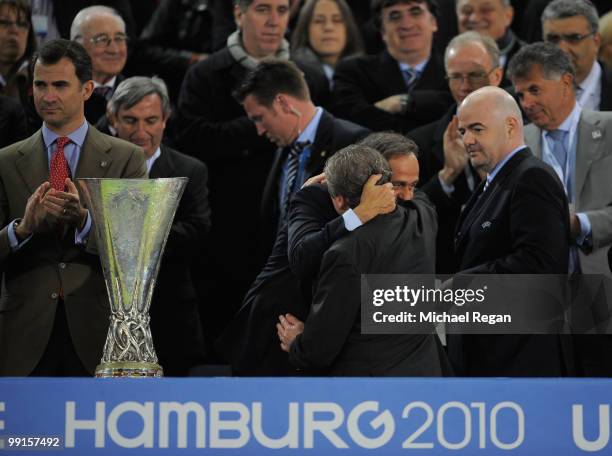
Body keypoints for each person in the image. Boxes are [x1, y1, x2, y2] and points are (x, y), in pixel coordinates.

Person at [174, 0, 329, 330]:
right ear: (238, 14)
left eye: (282, 10)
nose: (274, 21)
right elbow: (189, 140)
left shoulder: (311, 75)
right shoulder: (205, 75)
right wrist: (266, 121)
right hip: (225, 233)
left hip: (293, 231)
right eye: (262, 9)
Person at [0, 39, 146, 376]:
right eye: (41, 85)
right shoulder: (5, 162)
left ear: (87, 89)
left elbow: (135, 251)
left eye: (60, 85)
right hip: (23, 337)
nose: (48, 96)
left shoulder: (127, 159)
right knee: (29, 431)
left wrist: (84, 221)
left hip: (100, 333)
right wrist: (22, 229)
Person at [277, 144, 442, 375]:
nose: (407, 192)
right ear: (386, 186)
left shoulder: (344, 254)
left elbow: (318, 351)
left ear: (339, 200)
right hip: (425, 380)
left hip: (369, 395)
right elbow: (415, 194)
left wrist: (297, 344)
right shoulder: (422, 217)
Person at [449, 86, 571, 377]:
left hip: (522, 360)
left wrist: (462, 285)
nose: (467, 140)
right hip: (491, 354)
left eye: (477, 129)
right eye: (463, 131)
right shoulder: (492, 182)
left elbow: (541, 265)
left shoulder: (532, 177)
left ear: (511, 126)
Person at [509, 42, 612, 376]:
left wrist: (579, 223)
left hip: (602, 290)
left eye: (535, 90)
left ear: (567, 82)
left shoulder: (610, 129)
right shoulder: (516, 143)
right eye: (521, 94)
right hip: (541, 301)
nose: (527, 103)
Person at [108, 76, 211, 376]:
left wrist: (134, 234)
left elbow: (197, 230)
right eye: (130, 120)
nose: (141, 132)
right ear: (113, 118)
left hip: (171, 312)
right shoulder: (95, 167)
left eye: (151, 120)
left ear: (165, 120)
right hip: (104, 311)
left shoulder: (190, 170)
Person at [234, 59, 369, 244]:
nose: (260, 130)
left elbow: (364, 219)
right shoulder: (284, 145)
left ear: (283, 103)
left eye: (259, 118)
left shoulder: (353, 142)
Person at [408, 31, 502, 274]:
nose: (465, 86)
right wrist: (447, 175)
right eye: (455, 77)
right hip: (449, 278)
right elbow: (408, 222)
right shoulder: (420, 142)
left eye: (475, 75)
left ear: (497, 75)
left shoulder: (527, 131)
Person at [332, 0, 453, 133]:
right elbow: (351, 123)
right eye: (395, 16)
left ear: (434, 22)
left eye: (415, 12)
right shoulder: (352, 73)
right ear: (382, 30)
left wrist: (407, 102)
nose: (407, 25)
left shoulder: (456, 72)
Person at [542, 0, 612, 112]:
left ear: (596, 42)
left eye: (574, 38)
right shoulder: (517, 99)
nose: (562, 49)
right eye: (553, 39)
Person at [70, 6, 128, 127]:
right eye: (102, 39)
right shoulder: (61, 95)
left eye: (119, 38)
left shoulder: (140, 96)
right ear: (77, 45)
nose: (114, 49)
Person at [291, 0, 363, 89]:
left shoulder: (365, 74)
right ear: (305, 29)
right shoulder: (293, 76)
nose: (328, 27)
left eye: (337, 20)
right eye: (319, 21)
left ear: (348, 29)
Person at [455, 0, 523, 86]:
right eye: (467, 11)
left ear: (508, 15)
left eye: (485, 10)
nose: (475, 18)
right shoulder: (444, 67)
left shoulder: (530, 63)